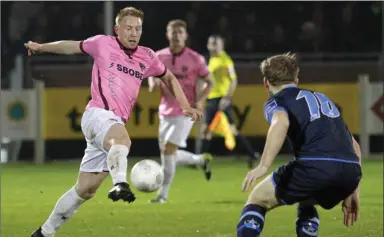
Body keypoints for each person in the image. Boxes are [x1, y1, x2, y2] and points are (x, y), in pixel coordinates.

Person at [25, 7, 203, 237]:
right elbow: (71, 46)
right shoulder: (102, 43)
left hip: (112, 123)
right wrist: (41, 47)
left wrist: (186, 106)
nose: (133, 33)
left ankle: (44, 232)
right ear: (117, 29)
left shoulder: (147, 56)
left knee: (86, 189)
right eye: (128, 28)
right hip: (97, 114)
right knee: (122, 140)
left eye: (138, 29)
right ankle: (120, 183)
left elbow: (167, 77)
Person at [237, 53, 362, 237]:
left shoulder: (276, 101)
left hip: (315, 167)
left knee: (257, 200)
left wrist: (263, 166)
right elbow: (354, 145)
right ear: (296, 79)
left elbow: (281, 122)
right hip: (350, 173)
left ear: (266, 83)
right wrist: (353, 190)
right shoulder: (322, 98)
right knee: (306, 199)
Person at [147, 19, 214, 203]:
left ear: (185, 36)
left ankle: (162, 195)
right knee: (169, 154)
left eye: (180, 32)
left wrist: (200, 101)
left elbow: (210, 82)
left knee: (168, 151)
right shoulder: (159, 56)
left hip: (186, 110)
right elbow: (152, 75)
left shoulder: (195, 58)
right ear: (167, 35)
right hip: (165, 111)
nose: (176, 36)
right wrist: (152, 82)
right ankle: (200, 161)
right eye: (173, 32)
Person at [201, 35, 260, 169]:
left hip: (220, 99)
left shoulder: (225, 59)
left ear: (222, 45)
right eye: (211, 43)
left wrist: (227, 98)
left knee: (226, 130)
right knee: (207, 130)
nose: (213, 46)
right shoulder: (212, 60)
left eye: (216, 44)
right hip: (212, 98)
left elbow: (233, 80)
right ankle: (203, 160)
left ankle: (252, 154)